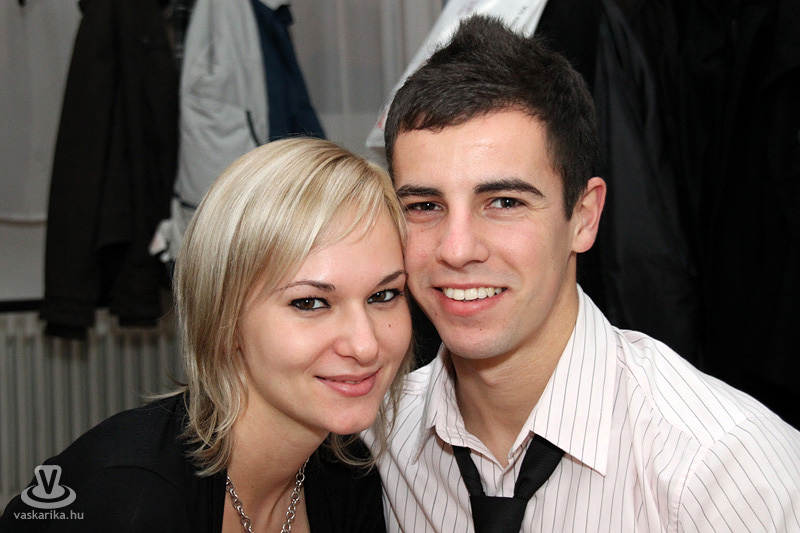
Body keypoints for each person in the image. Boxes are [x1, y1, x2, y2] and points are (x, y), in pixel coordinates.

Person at [361, 15, 800, 533]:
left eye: (504, 202)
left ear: (584, 217)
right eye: (424, 206)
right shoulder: (373, 442)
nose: (456, 250)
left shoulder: (727, 475)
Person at [2, 137, 413, 532]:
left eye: (384, 295)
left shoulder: (348, 474)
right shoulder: (131, 498)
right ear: (224, 319)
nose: (365, 345)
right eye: (310, 302)